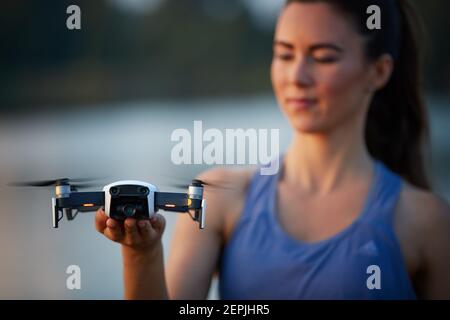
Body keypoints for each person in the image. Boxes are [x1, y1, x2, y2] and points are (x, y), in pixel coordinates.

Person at [95, 0, 450, 299]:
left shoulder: (426, 221)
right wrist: (141, 254)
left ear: (378, 72)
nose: (297, 75)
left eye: (323, 57)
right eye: (284, 54)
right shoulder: (219, 198)